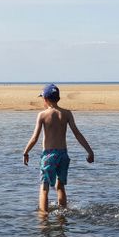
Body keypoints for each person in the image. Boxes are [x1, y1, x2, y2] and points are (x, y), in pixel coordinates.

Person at [22, 84, 95, 212]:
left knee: (44, 188)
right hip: (63, 155)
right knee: (60, 186)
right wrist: (89, 151)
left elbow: (34, 138)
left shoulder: (42, 115)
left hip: (49, 155)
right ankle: (62, 215)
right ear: (58, 98)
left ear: (45, 99)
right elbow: (77, 134)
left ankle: (43, 218)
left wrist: (26, 152)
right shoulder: (66, 114)